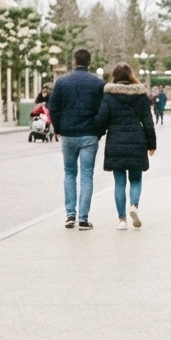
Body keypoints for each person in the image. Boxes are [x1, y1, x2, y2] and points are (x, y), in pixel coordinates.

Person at [49, 48, 107, 230]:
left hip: (68, 133)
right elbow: (103, 110)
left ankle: (70, 215)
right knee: (87, 175)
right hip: (89, 133)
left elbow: (53, 108)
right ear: (90, 63)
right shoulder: (98, 83)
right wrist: (98, 130)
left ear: (74, 62)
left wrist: (59, 128)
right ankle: (83, 218)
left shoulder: (62, 82)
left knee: (69, 173)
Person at [100, 63, 157, 230]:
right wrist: (151, 144)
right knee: (136, 179)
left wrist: (96, 133)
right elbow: (148, 122)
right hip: (137, 140)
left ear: (114, 76)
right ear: (131, 75)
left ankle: (122, 220)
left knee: (119, 183)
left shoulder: (109, 95)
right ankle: (134, 205)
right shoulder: (140, 95)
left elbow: (102, 119)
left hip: (115, 141)